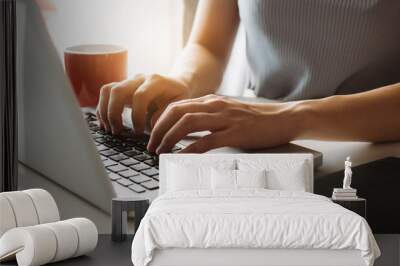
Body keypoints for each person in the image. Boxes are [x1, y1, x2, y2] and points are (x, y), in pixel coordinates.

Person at [96, 0, 400, 154]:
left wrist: (287, 118)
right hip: (261, 136)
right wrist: (181, 82)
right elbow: (208, 46)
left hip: (374, 152)